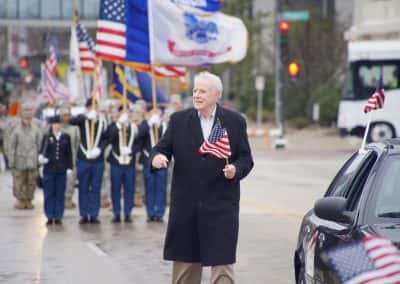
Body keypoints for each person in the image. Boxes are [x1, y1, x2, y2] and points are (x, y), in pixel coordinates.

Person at [151, 71, 254, 284]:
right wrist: (158, 158)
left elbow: (246, 158)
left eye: (202, 91)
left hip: (221, 207)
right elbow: (160, 149)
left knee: (223, 268)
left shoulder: (234, 122)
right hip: (186, 207)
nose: (196, 95)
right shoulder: (179, 120)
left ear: (216, 95)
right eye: (195, 90)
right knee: (185, 269)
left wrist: (235, 169)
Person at [106, 106, 148, 223]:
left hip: (129, 163)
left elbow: (141, 141)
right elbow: (110, 137)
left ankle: (128, 213)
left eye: (128, 112)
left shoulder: (134, 127)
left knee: (129, 189)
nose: (127, 114)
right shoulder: (115, 125)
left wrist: (132, 151)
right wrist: (119, 123)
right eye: (124, 112)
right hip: (116, 162)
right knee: (115, 188)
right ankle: (117, 213)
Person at [70, 98, 108, 224]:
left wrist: (100, 149)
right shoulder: (82, 118)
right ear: (87, 108)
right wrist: (86, 116)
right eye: (91, 107)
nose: (94, 110)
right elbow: (71, 121)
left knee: (96, 187)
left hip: (97, 160)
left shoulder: (103, 121)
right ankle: (84, 214)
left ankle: (94, 213)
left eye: (95, 107)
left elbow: (106, 138)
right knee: (83, 187)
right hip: (84, 159)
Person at [39, 116, 73, 225]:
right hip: (49, 169)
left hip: (61, 170)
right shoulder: (46, 137)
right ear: (52, 125)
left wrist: (69, 167)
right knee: (49, 194)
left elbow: (69, 154)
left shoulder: (66, 137)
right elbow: (42, 150)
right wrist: (41, 158)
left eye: (58, 124)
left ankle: (58, 216)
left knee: (59, 193)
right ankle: (49, 215)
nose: (57, 126)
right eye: (54, 124)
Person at [7, 104, 43, 209]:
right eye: (26, 118)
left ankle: (29, 199)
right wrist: (11, 161)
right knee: (19, 182)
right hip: (19, 160)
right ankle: (21, 200)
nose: (27, 120)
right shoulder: (16, 130)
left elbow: (40, 144)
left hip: (32, 160)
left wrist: (40, 159)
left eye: (29, 118)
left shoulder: (36, 130)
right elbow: (12, 146)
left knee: (31, 182)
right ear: (22, 118)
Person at [143, 109, 168, 222]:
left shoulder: (165, 126)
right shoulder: (146, 126)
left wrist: (160, 124)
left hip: (162, 161)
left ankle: (160, 213)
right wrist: (149, 124)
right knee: (150, 189)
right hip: (148, 162)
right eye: (153, 112)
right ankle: (150, 213)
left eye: (157, 113)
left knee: (161, 189)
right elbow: (139, 134)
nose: (155, 114)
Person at [59, 104, 80, 209]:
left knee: (71, 181)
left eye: (67, 115)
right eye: (63, 115)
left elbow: (78, 143)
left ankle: (68, 199)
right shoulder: (56, 127)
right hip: (59, 160)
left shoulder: (75, 128)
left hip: (72, 159)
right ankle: (60, 200)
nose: (65, 117)